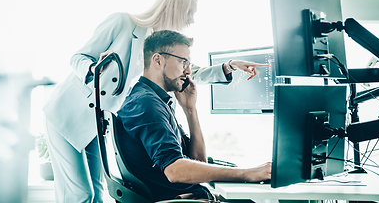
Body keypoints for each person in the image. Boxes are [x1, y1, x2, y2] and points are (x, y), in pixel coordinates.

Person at [43, 0, 269, 202]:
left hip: (95, 121)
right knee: (80, 195)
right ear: (175, 7)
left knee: (97, 192)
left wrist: (229, 66)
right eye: (189, 12)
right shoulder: (123, 23)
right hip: (68, 114)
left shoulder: (160, 46)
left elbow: (189, 71)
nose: (191, 20)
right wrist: (94, 70)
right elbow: (78, 57)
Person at [116, 30, 272, 202]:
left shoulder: (155, 100)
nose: (188, 70)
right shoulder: (146, 104)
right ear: (158, 60)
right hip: (181, 199)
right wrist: (249, 174)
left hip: (189, 196)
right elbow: (175, 170)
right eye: (183, 62)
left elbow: (198, 160)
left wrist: (190, 110)